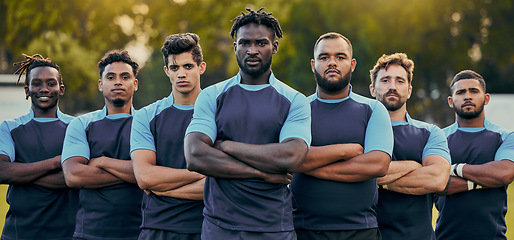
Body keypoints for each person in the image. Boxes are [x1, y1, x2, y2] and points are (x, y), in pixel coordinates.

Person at [184, 8, 311, 240]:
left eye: (261, 43)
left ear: (274, 47)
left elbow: (291, 157)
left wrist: (227, 146)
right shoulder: (212, 95)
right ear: (235, 48)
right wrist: (262, 173)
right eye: (244, 43)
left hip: (274, 229)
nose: (252, 50)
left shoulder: (294, 100)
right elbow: (195, 156)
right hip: (220, 228)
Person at [290, 32, 393, 240]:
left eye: (340, 57)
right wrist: (346, 151)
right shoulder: (297, 109)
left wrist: (308, 164)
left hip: (360, 231)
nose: (332, 62)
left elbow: (377, 165)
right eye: (324, 57)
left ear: (352, 64)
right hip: (304, 229)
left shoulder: (373, 109)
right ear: (313, 64)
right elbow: (289, 157)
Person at [130, 33, 206, 240]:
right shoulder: (147, 116)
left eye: (188, 66)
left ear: (201, 67)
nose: (181, 73)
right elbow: (145, 177)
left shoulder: (221, 113)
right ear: (167, 71)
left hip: (208, 226)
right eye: (175, 68)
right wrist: (200, 173)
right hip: (158, 227)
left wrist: (163, 190)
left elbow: (221, 185)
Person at [61, 50, 143, 240]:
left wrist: (102, 161)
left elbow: (153, 172)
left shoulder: (148, 123)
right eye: (110, 77)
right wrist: (137, 173)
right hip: (89, 233)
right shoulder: (81, 124)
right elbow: (73, 176)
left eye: (125, 77)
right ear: (101, 84)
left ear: (135, 84)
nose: (118, 82)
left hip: (140, 232)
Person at [368, 53, 451, 240]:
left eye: (399, 81)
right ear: (372, 89)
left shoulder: (430, 132)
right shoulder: (358, 131)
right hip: (365, 235)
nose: (392, 87)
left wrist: (371, 177)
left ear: (410, 90)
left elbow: (437, 179)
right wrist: (414, 166)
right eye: (385, 80)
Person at [0, 54, 77, 240]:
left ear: (61, 89)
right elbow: (2, 172)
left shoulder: (77, 127)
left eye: (51, 83)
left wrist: (20, 173)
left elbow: (73, 177)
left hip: (67, 234)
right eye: (37, 83)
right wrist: (56, 162)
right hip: (18, 233)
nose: (44, 89)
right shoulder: (9, 128)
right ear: (26, 90)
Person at [434, 70, 514, 240]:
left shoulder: (505, 136)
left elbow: (504, 173)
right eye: (461, 92)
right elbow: (436, 185)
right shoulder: (438, 138)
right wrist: (486, 180)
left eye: (474, 91)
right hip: (445, 237)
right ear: (450, 101)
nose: (467, 96)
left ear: (486, 98)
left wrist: (456, 168)